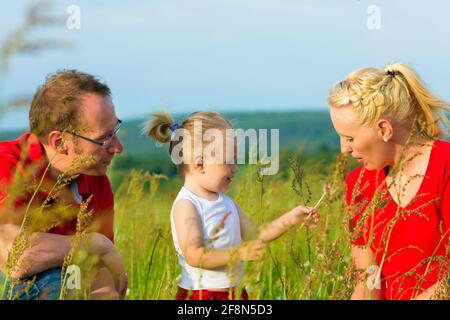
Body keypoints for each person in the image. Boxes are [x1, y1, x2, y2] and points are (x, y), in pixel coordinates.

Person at [146, 111, 320, 300]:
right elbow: (194, 255)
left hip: (235, 293)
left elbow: (256, 235)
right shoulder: (187, 205)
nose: (235, 168)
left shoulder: (227, 203)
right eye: (228, 161)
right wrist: (238, 253)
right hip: (201, 295)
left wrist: (291, 218)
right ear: (200, 163)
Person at [0, 70, 128, 300]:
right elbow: (14, 258)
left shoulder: (95, 181)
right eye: (104, 139)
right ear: (59, 142)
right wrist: (96, 243)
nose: (118, 147)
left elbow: (101, 272)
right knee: (56, 282)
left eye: (115, 131)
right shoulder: (7, 166)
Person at [328, 62, 449, 300]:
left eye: (349, 138)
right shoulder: (359, 184)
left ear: (384, 129)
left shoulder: (445, 166)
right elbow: (367, 279)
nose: (344, 149)